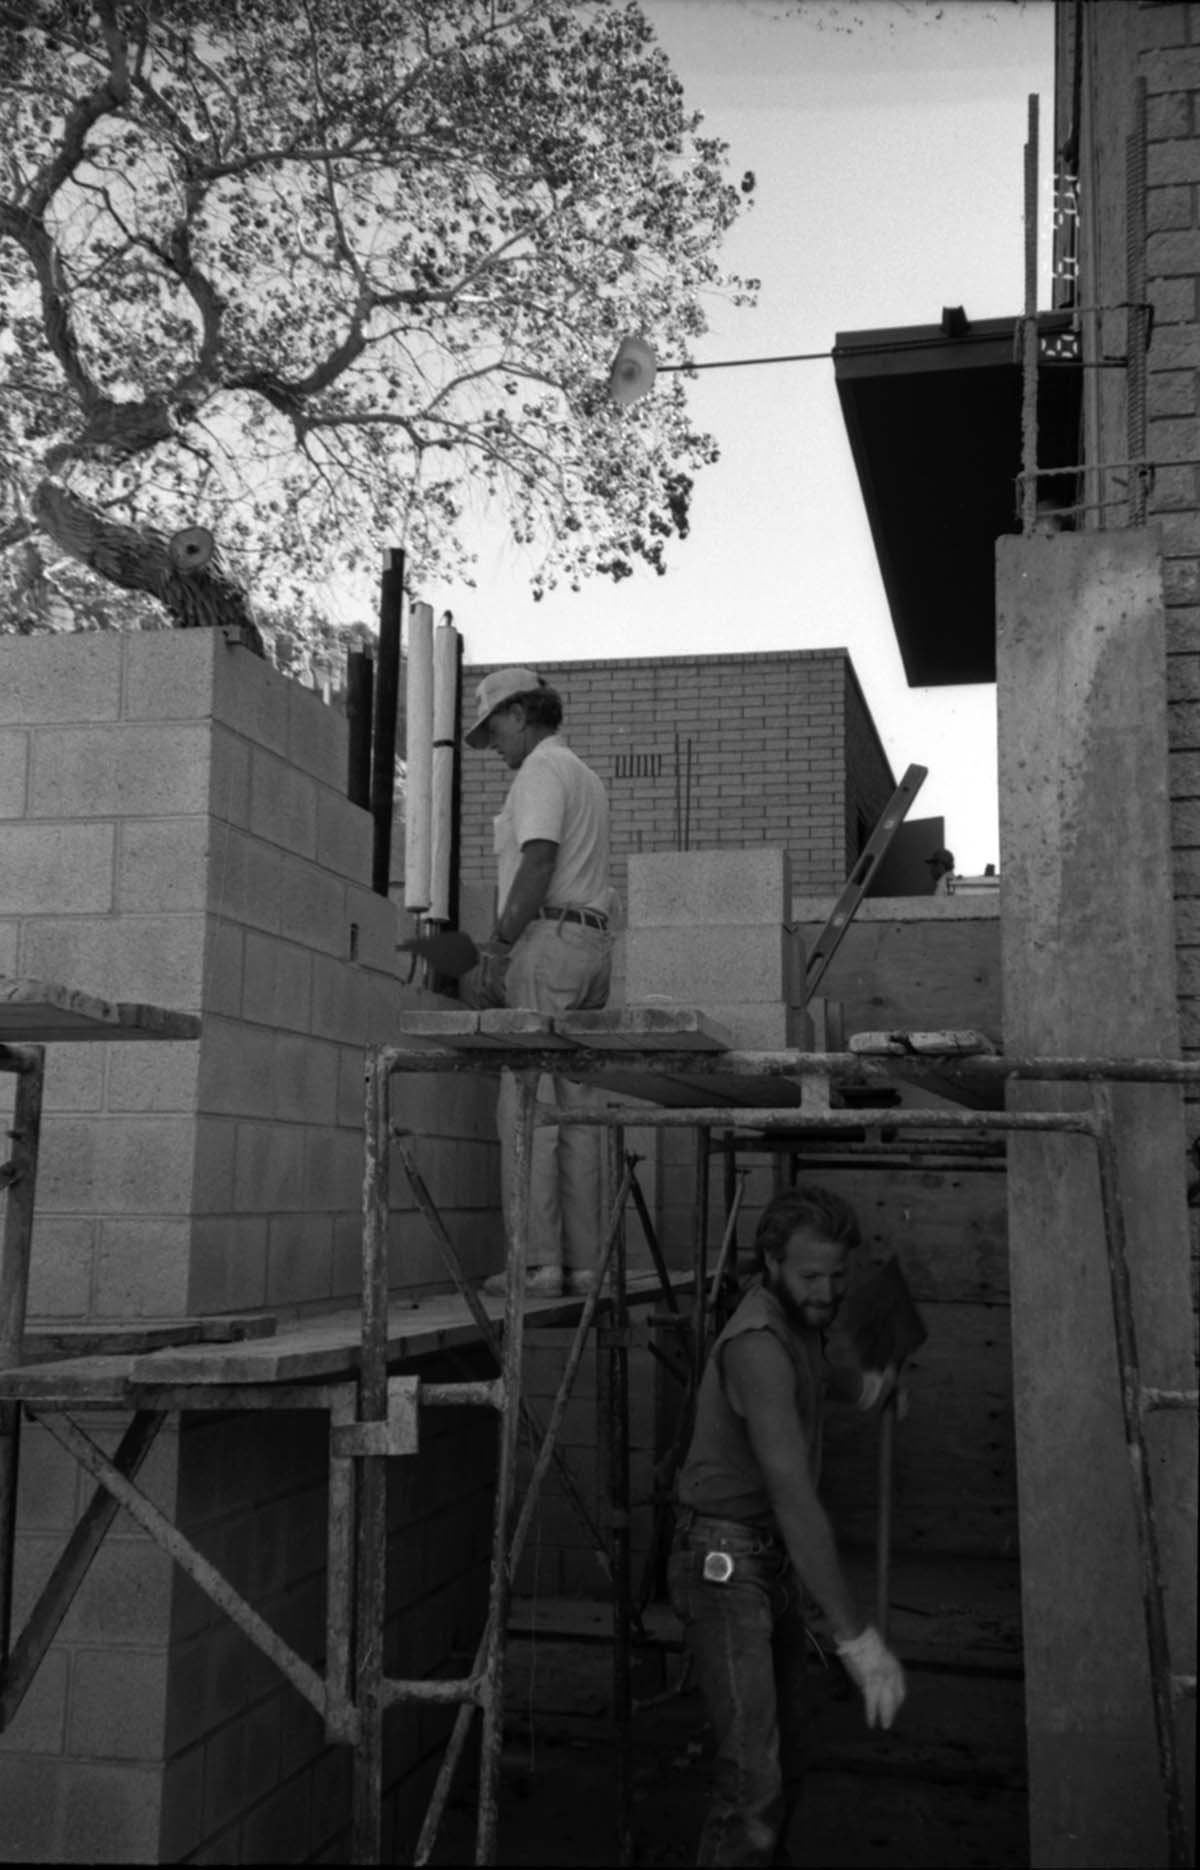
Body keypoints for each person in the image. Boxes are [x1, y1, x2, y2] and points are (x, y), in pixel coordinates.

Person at [669, 1184, 907, 1867]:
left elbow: (814, 1369)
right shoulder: (755, 1344)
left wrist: (865, 1385)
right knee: (753, 1778)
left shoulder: (799, 1321)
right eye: (811, 1276)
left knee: (788, 1759)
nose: (828, 1291)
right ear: (770, 1261)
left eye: (838, 1275)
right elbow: (795, 1500)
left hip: (759, 1558)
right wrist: (856, 1637)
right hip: (723, 1561)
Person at [463, 666, 612, 1299]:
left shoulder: (541, 773)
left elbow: (538, 857)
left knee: (525, 1107)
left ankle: (536, 1265)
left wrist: (497, 947)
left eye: (493, 726)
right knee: (576, 1112)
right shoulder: (585, 774)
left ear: (520, 714)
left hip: (546, 944)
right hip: (589, 945)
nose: (492, 743)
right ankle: (581, 1265)